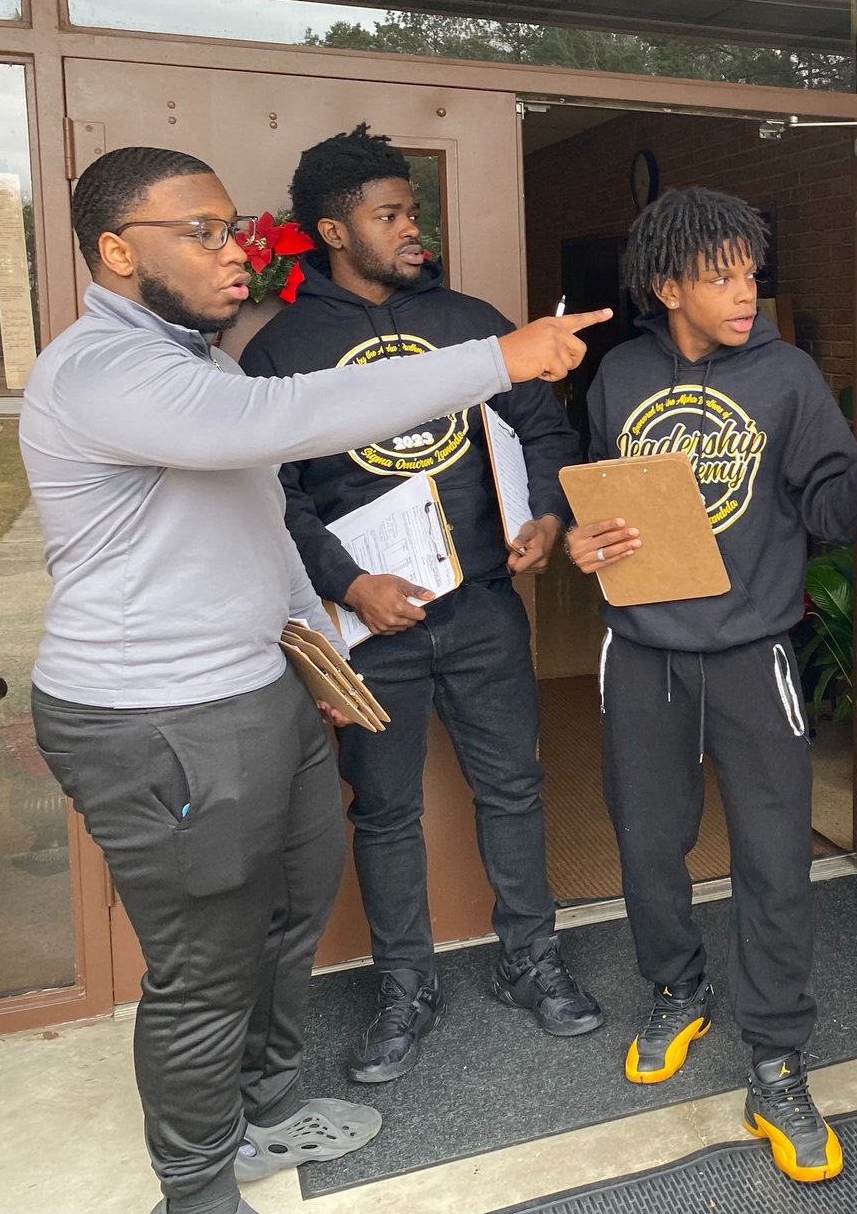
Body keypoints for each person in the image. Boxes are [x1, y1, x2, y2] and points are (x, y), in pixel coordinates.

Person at [20, 145, 606, 1214]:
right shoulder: (102, 369)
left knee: (286, 921)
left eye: (231, 227)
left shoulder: (201, 367)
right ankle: (200, 1192)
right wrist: (497, 356)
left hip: (264, 685)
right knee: (206, 967)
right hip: (161, 714)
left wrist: (313, 651)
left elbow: (257, 523)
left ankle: (259, 1117)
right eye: (200, 231)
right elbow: (279, 426)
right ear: (115, 251)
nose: (232, 250)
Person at [239, 125, 600, 1084]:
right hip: (369, 626)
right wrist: (348, 583)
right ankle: (406, 986)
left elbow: (543, 429)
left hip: (482, 606)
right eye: (389, 215)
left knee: (514, 788)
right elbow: (273, 494)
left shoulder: (472, 323)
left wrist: (547, 515)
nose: (411, 229)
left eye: (412, 211)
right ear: (333, 231)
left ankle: (531, 961)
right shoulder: (282, 351)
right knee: (386, 811)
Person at [570, 186, 857, 1185]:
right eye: (720, 277)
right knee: (647, 843)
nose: (745, 292)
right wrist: (582, 541)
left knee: (774, 861)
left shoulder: (788, 378)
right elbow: (597, 496)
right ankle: (677, 990)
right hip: (642, 651)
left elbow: (834, 513)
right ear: (668, 286)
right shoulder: (621, 376)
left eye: (750, 273)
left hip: (754, 654)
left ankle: (778, 1060)